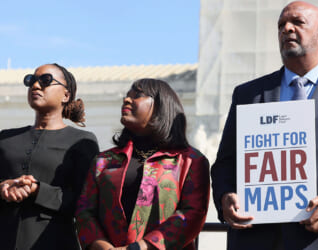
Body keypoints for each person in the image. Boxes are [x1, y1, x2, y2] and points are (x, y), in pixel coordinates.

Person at [211, 1, 318, 250]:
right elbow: (225, 164)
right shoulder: (248, 94)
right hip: (256, 241)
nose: (286, 29)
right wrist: (225, 197)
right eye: (281, 25)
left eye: (297, 22)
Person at [76, 78, 210, 250]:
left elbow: (192, 214)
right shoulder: (103, 161)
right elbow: (84, 211)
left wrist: (140, 247)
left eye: (137, 95)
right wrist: (103, 248)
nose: (126, 99)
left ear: (161, 106)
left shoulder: (191, 161)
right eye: (127, 95)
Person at [0, 63, 99, 250]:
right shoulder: (4, 138)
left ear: (66, 95)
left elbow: (86, 203)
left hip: (54, 242)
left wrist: (38, 190)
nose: (35, 86)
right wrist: (3, 188)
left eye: (45, 80)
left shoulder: (82, 142)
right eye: (31, 80)